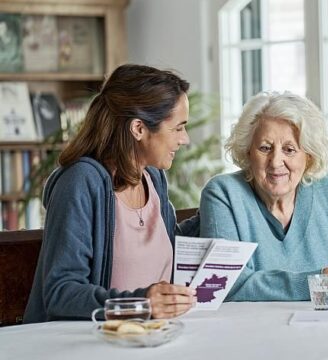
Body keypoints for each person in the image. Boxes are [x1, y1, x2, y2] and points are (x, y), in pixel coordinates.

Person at [24, 64, 199, 323]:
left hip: (145, 338)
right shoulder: (81, 182)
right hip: (85, 343)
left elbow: (164, 247)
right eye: (178, 128)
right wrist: (141, 304)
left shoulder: (154, 177)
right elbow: (61, 292)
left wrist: (221, 203)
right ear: (138, 128)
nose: (185, 139)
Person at [200, 91, 328, 301]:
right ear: (248, 152)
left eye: (289, 150)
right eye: (265, 148)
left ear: (309, 156)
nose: (276, 161)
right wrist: (320, 284)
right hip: (253, 331)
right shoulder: (223, 193)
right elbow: (222, 283)